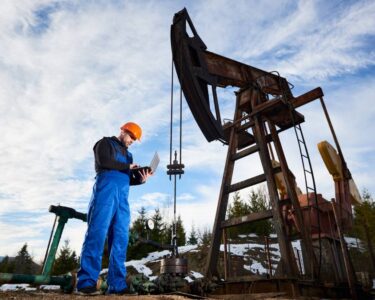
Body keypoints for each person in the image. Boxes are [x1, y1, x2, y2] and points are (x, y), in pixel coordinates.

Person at [76, 122, 152, 295]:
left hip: (122, 199)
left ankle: (117, 285)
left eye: (135, 139)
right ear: (123, 131)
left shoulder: (129, 155)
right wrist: (127, 167)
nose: (132, 140)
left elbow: (126, 178)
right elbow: (105, 162)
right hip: (105, 194)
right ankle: (86, 282)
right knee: (96, 234)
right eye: (131, 136)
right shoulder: (104, 143)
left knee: (120, 239)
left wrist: (140, 179)